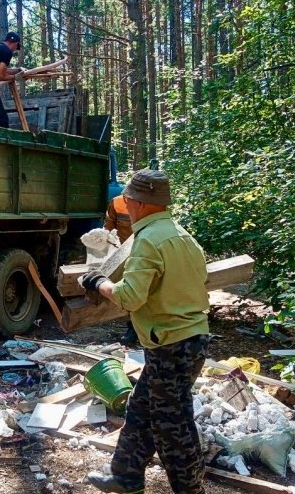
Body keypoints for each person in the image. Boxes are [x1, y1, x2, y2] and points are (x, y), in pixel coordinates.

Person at [82, 169, 210, 494]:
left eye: (127, 200)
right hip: (187, 340)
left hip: (172, 345)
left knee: (172, 427)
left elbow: (129, 297)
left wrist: (100, 282)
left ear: (135, 202)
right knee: (141, 410)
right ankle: (125, 477)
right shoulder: (182, 236)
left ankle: (191, 490)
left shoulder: (148, 240)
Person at [103, 194, 137, 345]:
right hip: (124, 253)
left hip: (147, 250)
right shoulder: (117, 203)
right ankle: (134, 328)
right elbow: (108, 229)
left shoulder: (150, 202)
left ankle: (137, 329)